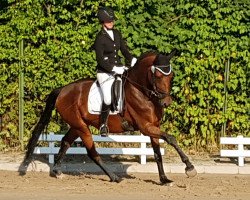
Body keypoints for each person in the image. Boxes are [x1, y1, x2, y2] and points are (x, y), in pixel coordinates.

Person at [93, 7, 137, 137]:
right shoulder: (99, 38)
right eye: (108, 21)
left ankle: (127, 120)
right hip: (104, 72)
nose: (111, 23)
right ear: (102, 22)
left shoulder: (117, 33)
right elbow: (100, 59)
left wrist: (132, 59)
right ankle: (103, 124)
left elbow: (124, 50)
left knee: (129, 89)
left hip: (119, 69)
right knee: (107, 98)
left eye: (112, 20)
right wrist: (113, 68)